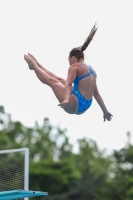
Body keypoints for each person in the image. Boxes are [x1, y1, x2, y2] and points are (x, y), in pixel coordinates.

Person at [24, 23, 113, 122]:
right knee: (59, 80)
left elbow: (69, 84)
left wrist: (66, 98)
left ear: (73, 58)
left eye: (69, 60)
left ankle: (33, 65)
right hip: (85, 105)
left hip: (74, 103)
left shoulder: (74, 67)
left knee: (52, 82)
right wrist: (105, 110)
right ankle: (37, 64)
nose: (69, 64)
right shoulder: (92, 71)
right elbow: (96, 94)